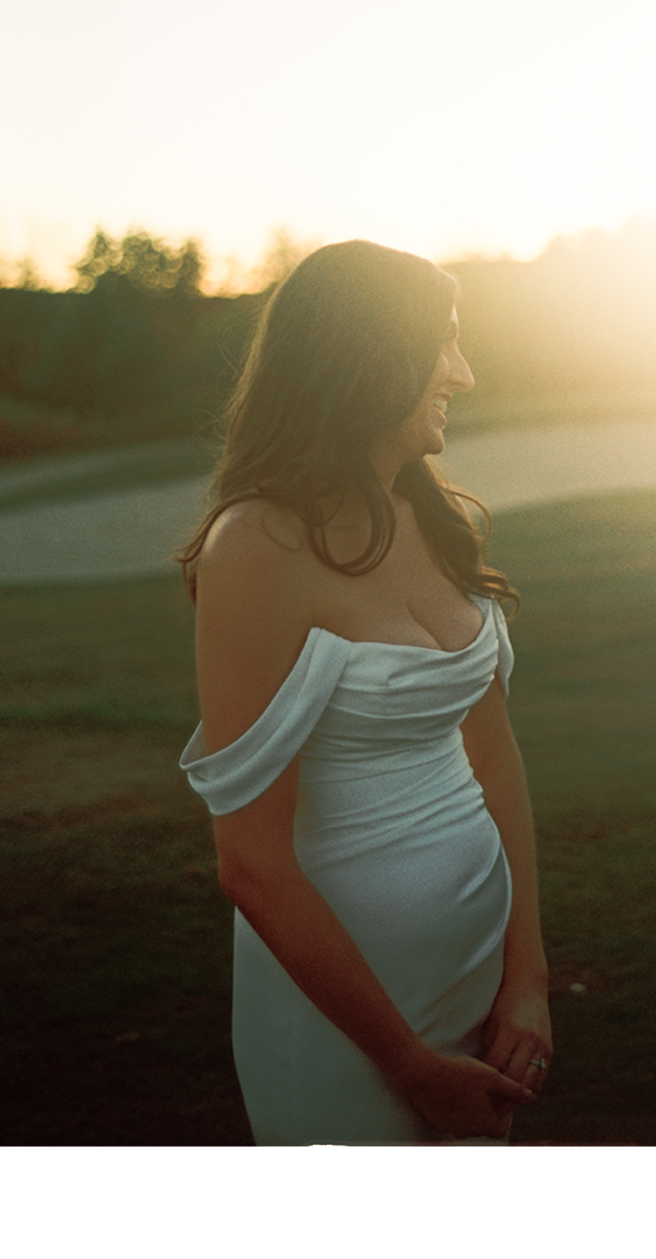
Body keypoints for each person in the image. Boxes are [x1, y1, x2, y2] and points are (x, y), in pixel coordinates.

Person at [173, 241, 552, 1144]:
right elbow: (250, 862)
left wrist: (527, 977)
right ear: (369, 358)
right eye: (443, 345)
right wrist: (413, 1069)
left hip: (478, 987)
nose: (463, 373)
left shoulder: (440, 517)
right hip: (344, 1029)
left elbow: (493, 752)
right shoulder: (258, 548)